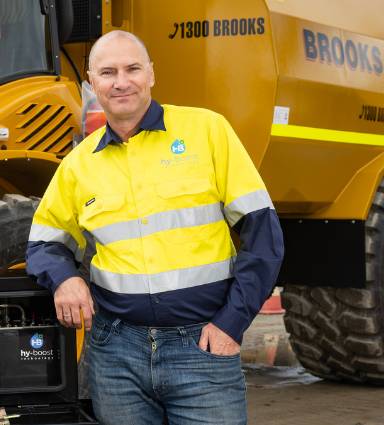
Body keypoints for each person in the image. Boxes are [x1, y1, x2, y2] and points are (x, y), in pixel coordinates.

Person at [25, 30, 284, 424]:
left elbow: (264, 237)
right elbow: (44, 242)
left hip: (202, 346)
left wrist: (232, 323)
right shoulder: (78, 166)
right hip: (116, 355)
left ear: (151, 74)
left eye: (132, 68)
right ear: (93, 84)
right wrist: (64, 279)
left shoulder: (208, 131)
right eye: (108, 72)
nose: (121, 81)